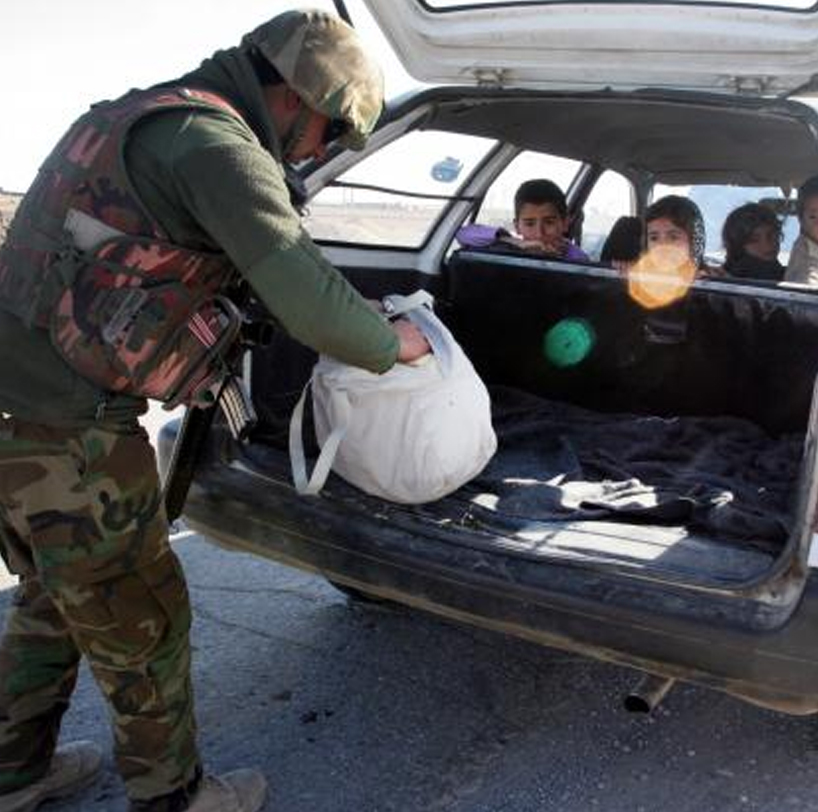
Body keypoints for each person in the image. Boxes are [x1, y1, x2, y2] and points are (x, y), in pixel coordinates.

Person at [0, 10, 430, 812]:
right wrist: (397, 342)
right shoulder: (217, 146)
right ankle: (177, 799)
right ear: (300, 95)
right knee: (144, 620)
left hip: (16, 415)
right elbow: (316, 306)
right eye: (328, 132)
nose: (315, 152)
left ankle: (13, 775)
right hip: (69, 437)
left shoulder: (142, 115)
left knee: (54, 599)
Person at [456, 178, 590, 261]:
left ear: (565, 223)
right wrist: (515, 243)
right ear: (517, 226)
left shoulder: (578, 260)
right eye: (529, 224)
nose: (539, 233)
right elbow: (463, 234)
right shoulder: (512, 248)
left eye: (549, 222)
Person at [721, 202, 785, 281]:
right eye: (754, 239)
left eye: (772, 235)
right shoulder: (738, 277)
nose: (766, 245)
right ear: (738, 245)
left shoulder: (782, 273)